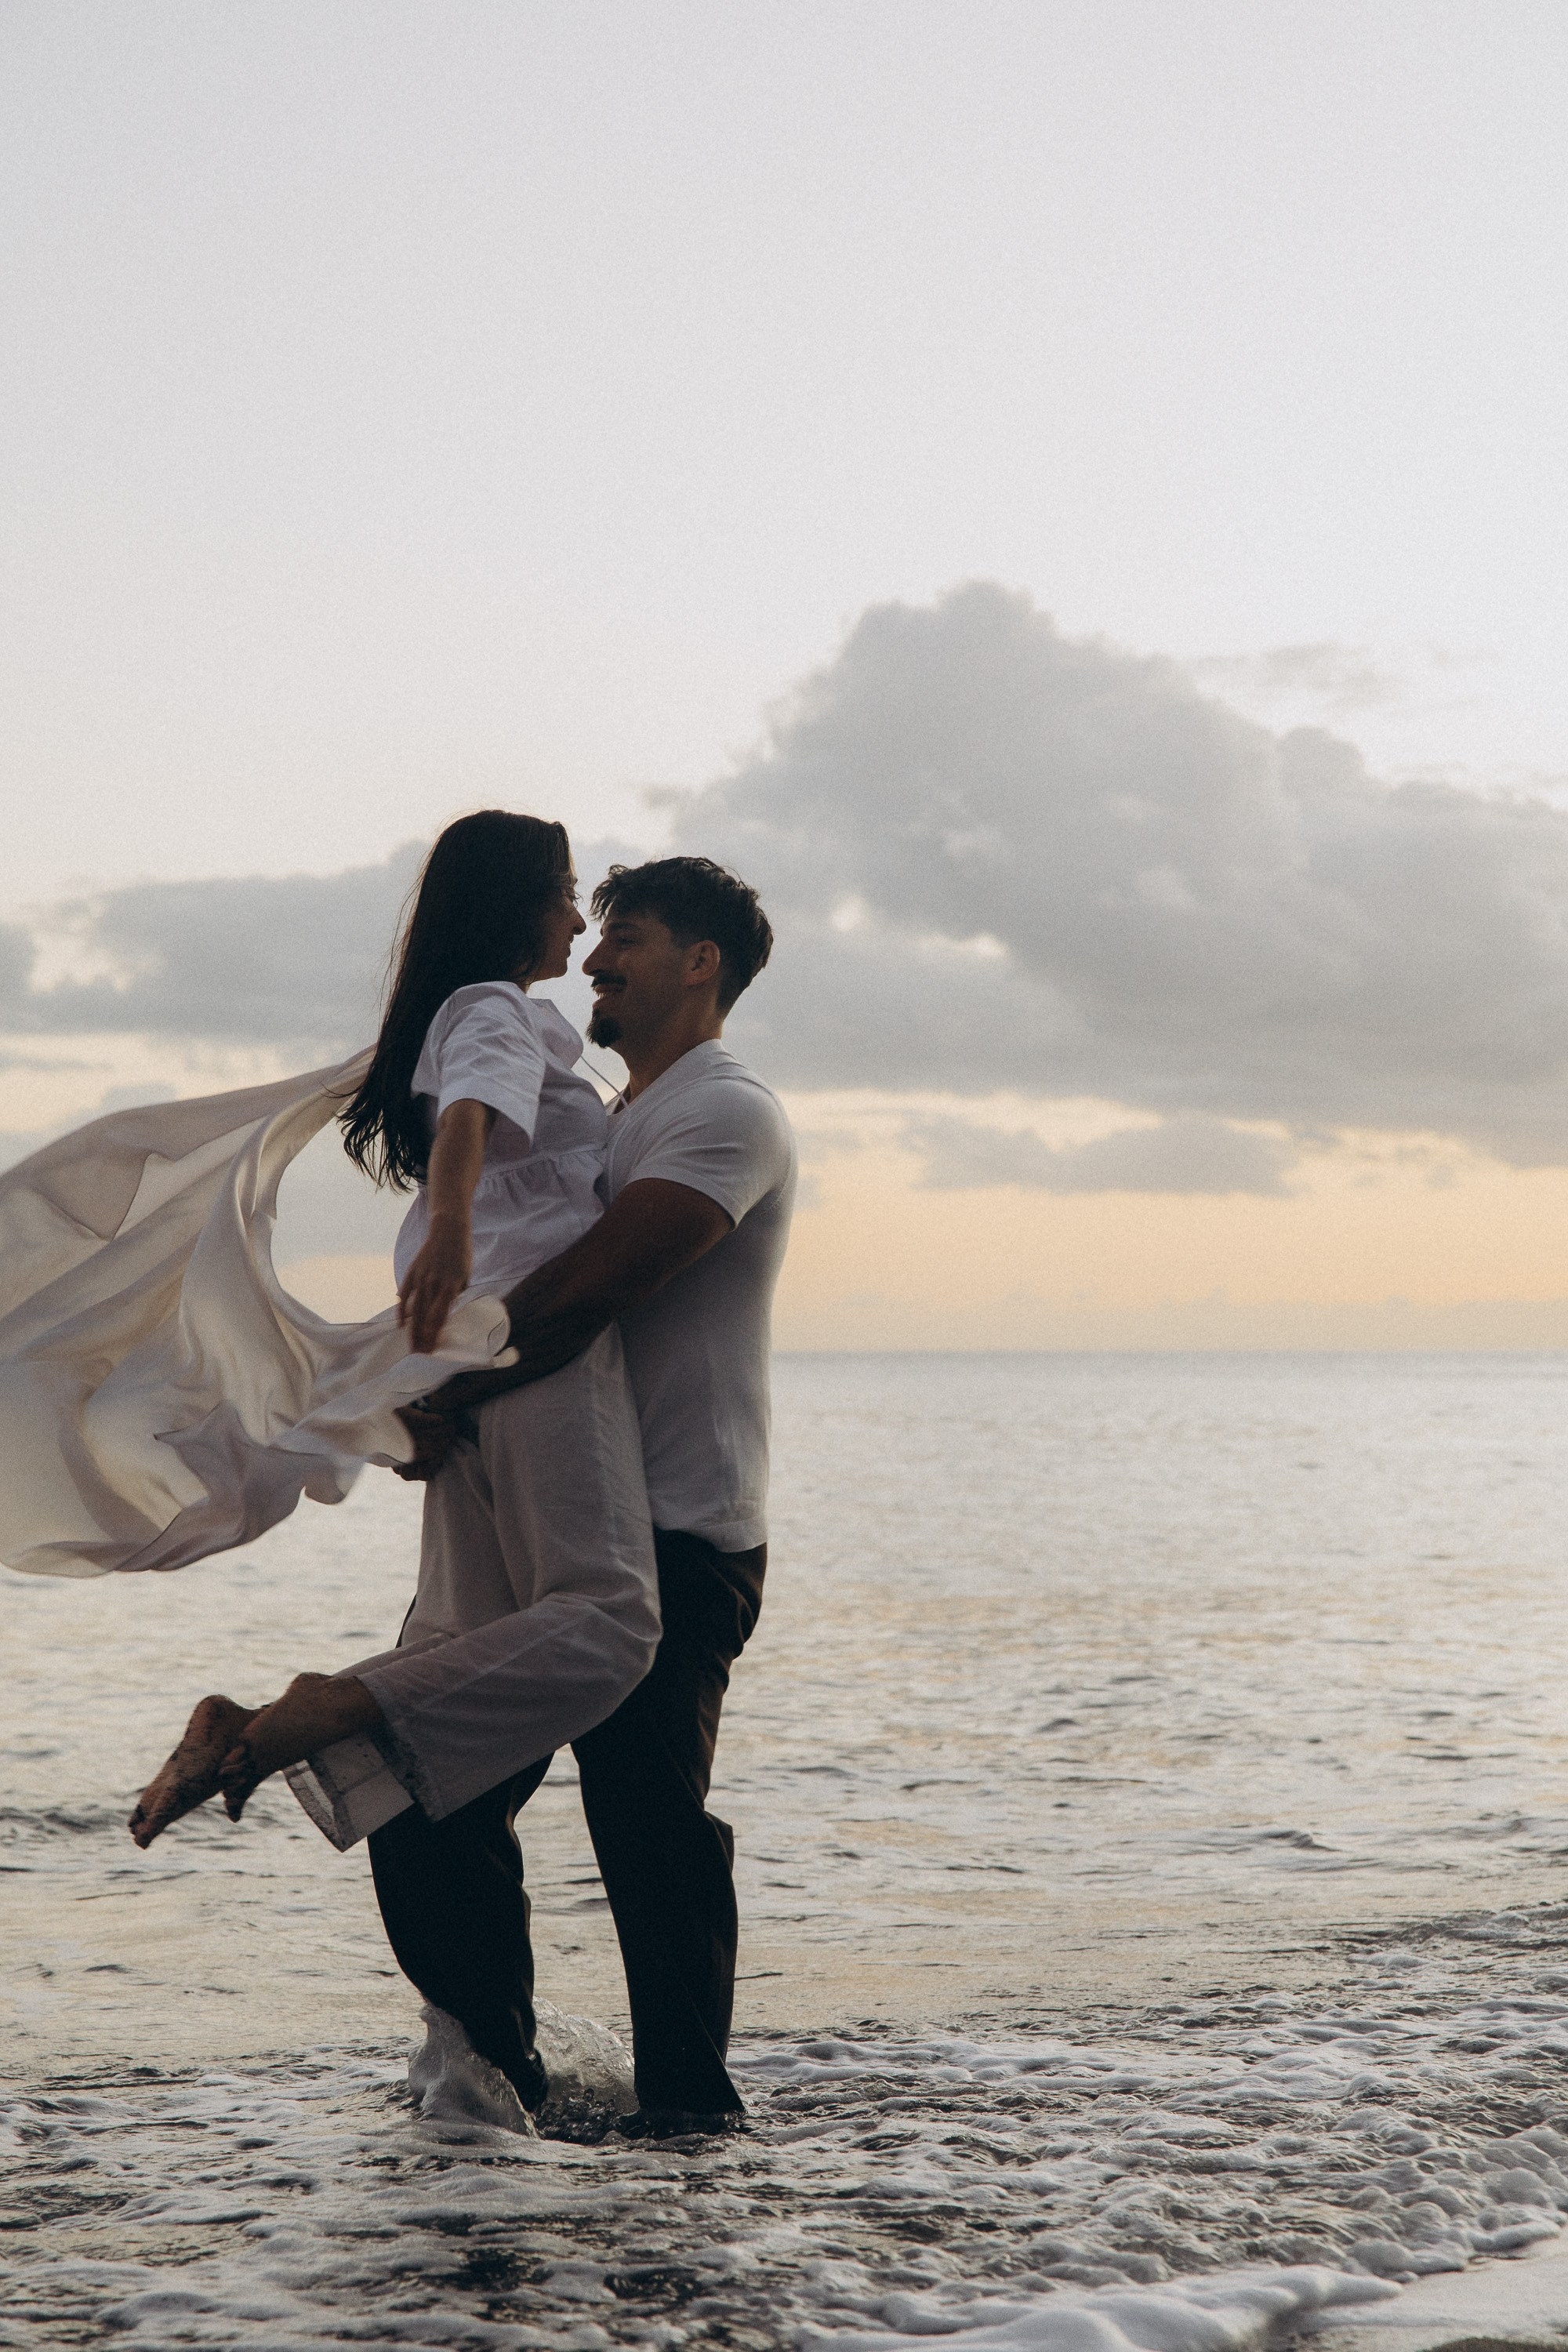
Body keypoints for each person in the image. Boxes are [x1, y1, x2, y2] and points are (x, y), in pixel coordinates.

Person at [127, 815, 664, 2127]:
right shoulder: (493, 1006)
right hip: (528, 1346)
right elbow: (474, 1108)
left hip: (468, 1371)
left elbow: (471, 1111)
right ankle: (312, 1704)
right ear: (514, 911)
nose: (582, 932)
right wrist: (466, 1225)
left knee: (471, 1660)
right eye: (567, 903)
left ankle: (472, 2077)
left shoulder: (463, 1006)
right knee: (610, 1622)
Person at [380, 854, 796, 2136]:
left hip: (676, 1528)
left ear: (700, 963)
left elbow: (592, 1288)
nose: (598, 956)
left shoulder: (727, 1112)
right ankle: (499, 2091)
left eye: (628, 937)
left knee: (648, 1831)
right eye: (595, 931)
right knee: (427, 1795)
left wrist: (443, 1386)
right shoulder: (610, 1113)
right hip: (562, 1517)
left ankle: (689, 2124)